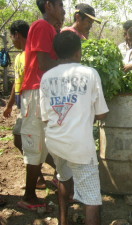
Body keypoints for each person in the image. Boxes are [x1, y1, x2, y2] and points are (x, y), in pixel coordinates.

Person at [40, 30, 108, 225]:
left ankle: (63, 221)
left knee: (63, 177)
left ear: (56, 52)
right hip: (79, 145)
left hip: (54, 141)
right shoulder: (89, 73)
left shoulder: (46, 77)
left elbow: (45, 118)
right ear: (78, 52)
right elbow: (102, 113)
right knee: (92, 198)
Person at [17, 0, 65, 210]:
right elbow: (44, 63)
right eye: (60, 5)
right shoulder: (42, 26)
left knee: (43, 144)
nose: (63, 10)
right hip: (37, 91)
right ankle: (29, 196)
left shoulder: (51, 29)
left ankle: (35, 191)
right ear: (49, 6)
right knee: (36, 144)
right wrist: (70, 62)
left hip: (43, 91)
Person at [3, 20, 49, 190]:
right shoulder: (19, 57)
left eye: (11, 36)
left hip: (32, 102)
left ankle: (47, 174)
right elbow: (17, 82)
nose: (12, 40)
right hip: (22, 103)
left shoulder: (32, 54)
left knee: (24, 140)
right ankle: (40, 177)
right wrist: (9, 105)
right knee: (23, 140)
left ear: (16, 35)